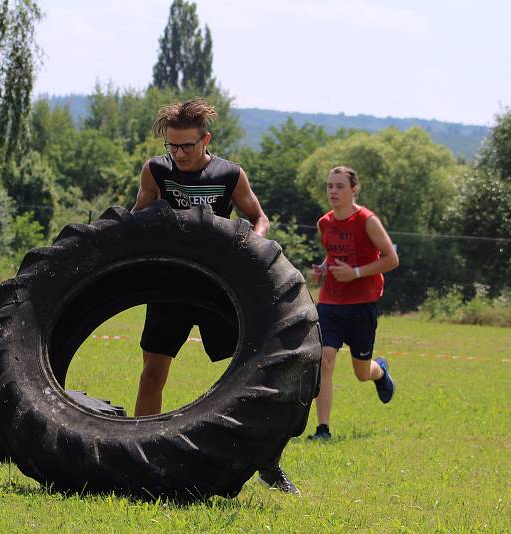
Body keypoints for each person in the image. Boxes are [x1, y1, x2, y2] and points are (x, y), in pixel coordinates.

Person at [130, 98, 300, 495]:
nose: (179, 154)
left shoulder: (229, 174)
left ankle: (268, 462)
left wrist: (249, 249)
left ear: (206, 139)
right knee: (153, 371)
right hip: (170, 286)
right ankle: (139, 451)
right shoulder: (156, 170)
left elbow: (259, 218)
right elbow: (138, 216)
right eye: (173, 146)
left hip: (220, 290)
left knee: (252, 376)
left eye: (188, 146)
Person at [307, 165, 399, 441]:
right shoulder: (324, 222)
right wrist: (323, 269)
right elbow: (332, 254)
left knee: (361, 372)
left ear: (354, 189)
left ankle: (379, 371)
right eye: (329, 186)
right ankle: (323, 429)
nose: (333, 191)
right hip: (330, 303)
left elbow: (391, 259)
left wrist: (355, 273)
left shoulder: (367, 220)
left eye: (339, 186)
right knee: (324, 361)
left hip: (363, 303)